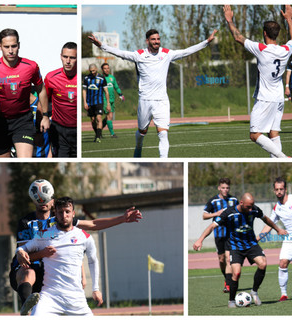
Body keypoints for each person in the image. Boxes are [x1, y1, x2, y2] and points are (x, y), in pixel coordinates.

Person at [9, 179, 142, 315]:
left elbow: (92, 226)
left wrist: (122, 219)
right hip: (30, 268)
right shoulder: (26, 222)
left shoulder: (60, 217)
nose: (43, 201)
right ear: (34, 200)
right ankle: (27, 305)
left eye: (47, 198)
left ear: (53, 201)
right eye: (39, 199)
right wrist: (41, 253)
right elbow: (24, 257)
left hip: (49, 272)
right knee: (28, 273)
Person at [88, 28, 217, 158]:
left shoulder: (166, 53)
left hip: (161, 100)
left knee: (163, 133)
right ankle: (138, 148)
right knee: (142, 132)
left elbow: (186, 51)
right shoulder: (139, 55)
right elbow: (120, 53)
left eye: (158, 39)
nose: (156, 42)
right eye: (153, 39)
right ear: (147, 41)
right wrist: (101, 45)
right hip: (145, 100)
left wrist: (206, 42)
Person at [193, 192, 287, 308]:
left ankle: (254, 291)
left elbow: (266, 219)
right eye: (248, 206)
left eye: (252, 206)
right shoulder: (229, 212)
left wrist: (278, 229)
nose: (251, 209)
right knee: (236, 273)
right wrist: (200, 240)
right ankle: (231, 300)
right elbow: (212, 226)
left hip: (251, 244)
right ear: (241, 203)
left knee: (263, 264)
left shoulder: (254, 210)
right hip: (235, 247)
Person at [223, 5, 292, 158]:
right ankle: (279, 161)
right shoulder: (285, 50)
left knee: (254, 134)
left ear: (265, 33)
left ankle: (283, 158)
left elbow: (238, 37)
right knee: (274, 134)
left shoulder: (261, 49)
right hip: (279, 98)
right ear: (277, 34)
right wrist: (289, 19)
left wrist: (229, 20)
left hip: (265, 99)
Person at [16, 197, 103, 315]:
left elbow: (93, 261)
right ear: (55, 214)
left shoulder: (84, 236)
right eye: (60, 212)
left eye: (67, 211)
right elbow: (23, 248)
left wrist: (96, 289)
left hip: (76, 299)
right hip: (50, 297)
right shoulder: (46, 234)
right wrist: (20, 251)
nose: (64, 215)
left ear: (73, 213)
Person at [0, 28, 50, 157]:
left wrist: (46, 116)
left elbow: (41, 89)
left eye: (14, 46)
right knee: (3, 164)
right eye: (6, 46)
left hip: (23, 121)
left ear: (18, 45)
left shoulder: (31, 67)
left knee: (25, 159)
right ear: (0, 47)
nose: (10, 51)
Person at [257, 177, 292, 301]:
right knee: (283, 263)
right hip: (289, 239)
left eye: (281, 189)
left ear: (286, 189)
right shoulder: (277, 208)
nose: (279, 192)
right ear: (274, 191)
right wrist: (257, 238)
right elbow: (269, 225)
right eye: (277, 189)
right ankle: (284, 294)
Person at [203, 178, 238, 293]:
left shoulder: (234, 200)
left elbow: (239, 212)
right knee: (222, 259)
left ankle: (228, 284)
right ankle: (226, 277)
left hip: (231, 234)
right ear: (219, 188)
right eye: (223, 187)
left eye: (227, 188)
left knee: (228, 259)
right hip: (218, 234)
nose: (225, 190)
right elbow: (204, 215)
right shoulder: (213, 201)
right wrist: (216, 213)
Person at [45, 42, 77, 157]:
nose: (68, 61)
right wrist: (44, 117)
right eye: (65, 57)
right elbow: (44, 100)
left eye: (72, 58)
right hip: (59, 131)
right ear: (61, 56)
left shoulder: (81, 79)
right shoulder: (51, 77)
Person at [82, 64, 111, 143]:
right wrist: (84, 102)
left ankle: (98, 137)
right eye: (91, 71)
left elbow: (106, 92)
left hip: (99, 102)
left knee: (99, 118)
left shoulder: (102, 78)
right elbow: (84, 91)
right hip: (90, 102)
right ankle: (97, 134)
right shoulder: (86, 78)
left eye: (94, 71)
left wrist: (108, 103)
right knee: (93, 120)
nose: (92, 72)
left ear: (96, 69)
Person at [101, 63, 125, 138]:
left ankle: (99, 129)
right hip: (105, 100)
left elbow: (116, 87)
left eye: (108, 68)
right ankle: (112, 134)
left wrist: (120, 94)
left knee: (108, 117)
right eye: (105, 68)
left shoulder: (112, 78)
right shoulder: (101, 78)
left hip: (112, 100)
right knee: (109, 116)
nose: (107, 70)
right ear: (102, 70)